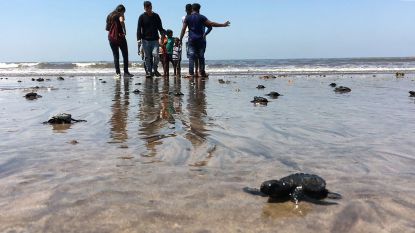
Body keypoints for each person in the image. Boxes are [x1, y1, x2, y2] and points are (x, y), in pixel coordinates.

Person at [180, 3, 230, 77]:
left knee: (191, 57)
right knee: (201, 57)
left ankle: (191, 73)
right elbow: (211, 24)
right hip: (200, 40)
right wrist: (223, 25)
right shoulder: (202, 17)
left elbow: (183, 29)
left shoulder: (188, 18)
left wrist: (180, 39)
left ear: (192, 9)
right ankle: (202, 72)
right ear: (199, 9)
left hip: (191, 40)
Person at [137, 1, 165, 78]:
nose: (148, 9)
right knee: (147, 57)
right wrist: (138, 40)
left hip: (155, 40)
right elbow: (139, 29)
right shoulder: (141, 17)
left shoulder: (156, 16)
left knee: (156, 55)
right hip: (145, 40)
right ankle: (149, 72)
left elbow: (160, 27)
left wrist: (163, 32)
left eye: (149, 7)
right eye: (146, 8)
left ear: (151, 7)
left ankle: (155, 69)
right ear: (144, 8)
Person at [106, 4, 134, 78]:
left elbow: (107, 28)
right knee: (125, 55)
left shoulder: (109, 15)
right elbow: (121, 21)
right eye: (123, 12)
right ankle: (126, 72)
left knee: (116, 56)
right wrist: (124, 29)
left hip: (111, 38)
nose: (124, 14)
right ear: (121, 11)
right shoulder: (119, 14)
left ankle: (117, 73)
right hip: (120, 37)